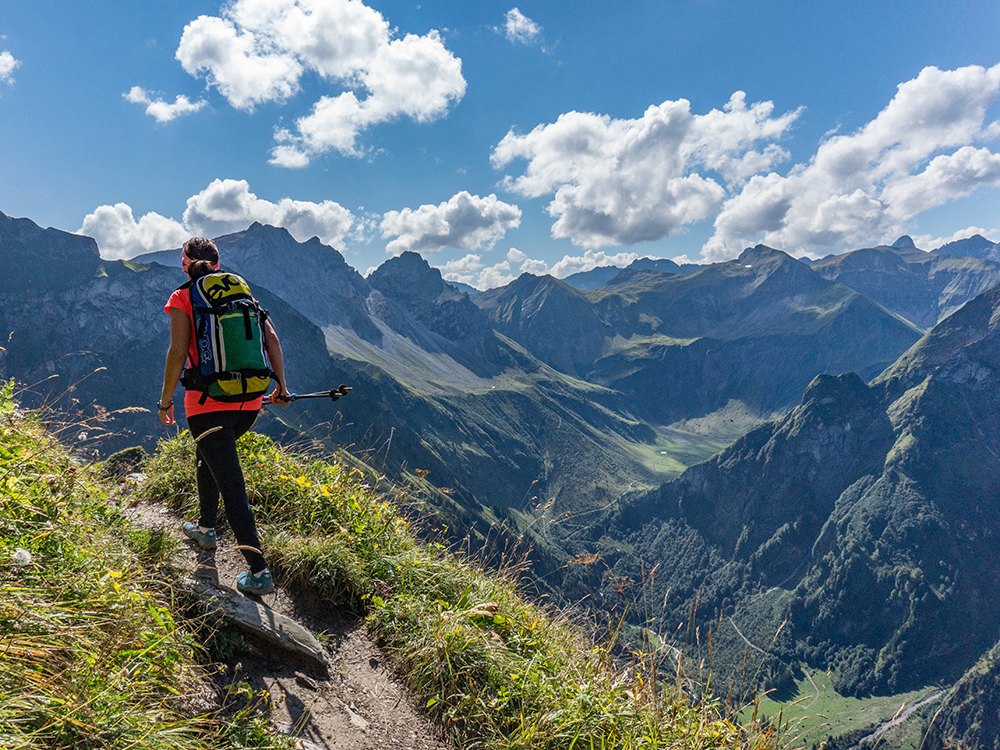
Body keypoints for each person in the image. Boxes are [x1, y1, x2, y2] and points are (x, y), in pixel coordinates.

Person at [157, 237, 291, 595]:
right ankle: (205, 527)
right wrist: (281, 387)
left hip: (207, 403)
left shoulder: (183, 297)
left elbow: (176, 353)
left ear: (184, 263)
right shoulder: (242, 294)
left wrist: (165, 402)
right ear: (218, 264)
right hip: (249, 402)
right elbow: (273, 341)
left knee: (232, 486)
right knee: (209, 459)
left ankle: (259, 572)